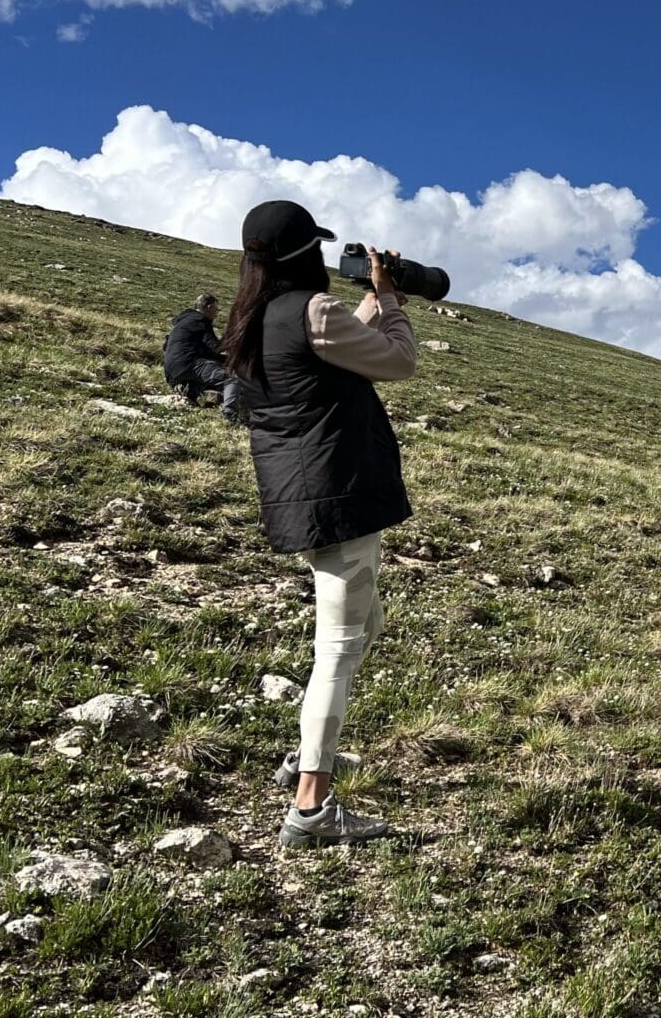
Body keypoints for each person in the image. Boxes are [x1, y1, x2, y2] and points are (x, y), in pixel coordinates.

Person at [221, 200, 418, 847]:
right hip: (340, 502)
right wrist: (389, 299)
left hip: (299, 504)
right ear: (307, 253)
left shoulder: (254, 319)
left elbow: (334, 348)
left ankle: (312, 747)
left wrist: (366, 303)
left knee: (367, 625)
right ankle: (311, 804)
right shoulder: (311, 310)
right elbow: (396, 361)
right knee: (336, 652)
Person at [162, 293, 246, 423]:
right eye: (216, 310)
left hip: (171, 371)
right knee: (231, 379)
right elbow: (216, 347)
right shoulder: (201, 321)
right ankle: (230, 414)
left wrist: (226, 360)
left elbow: (167, 346)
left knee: (212, 373)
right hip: (189, 363)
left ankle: (190, 391)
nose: (217, 313)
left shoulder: (184, 322)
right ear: (209, 307)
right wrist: (231, 335)